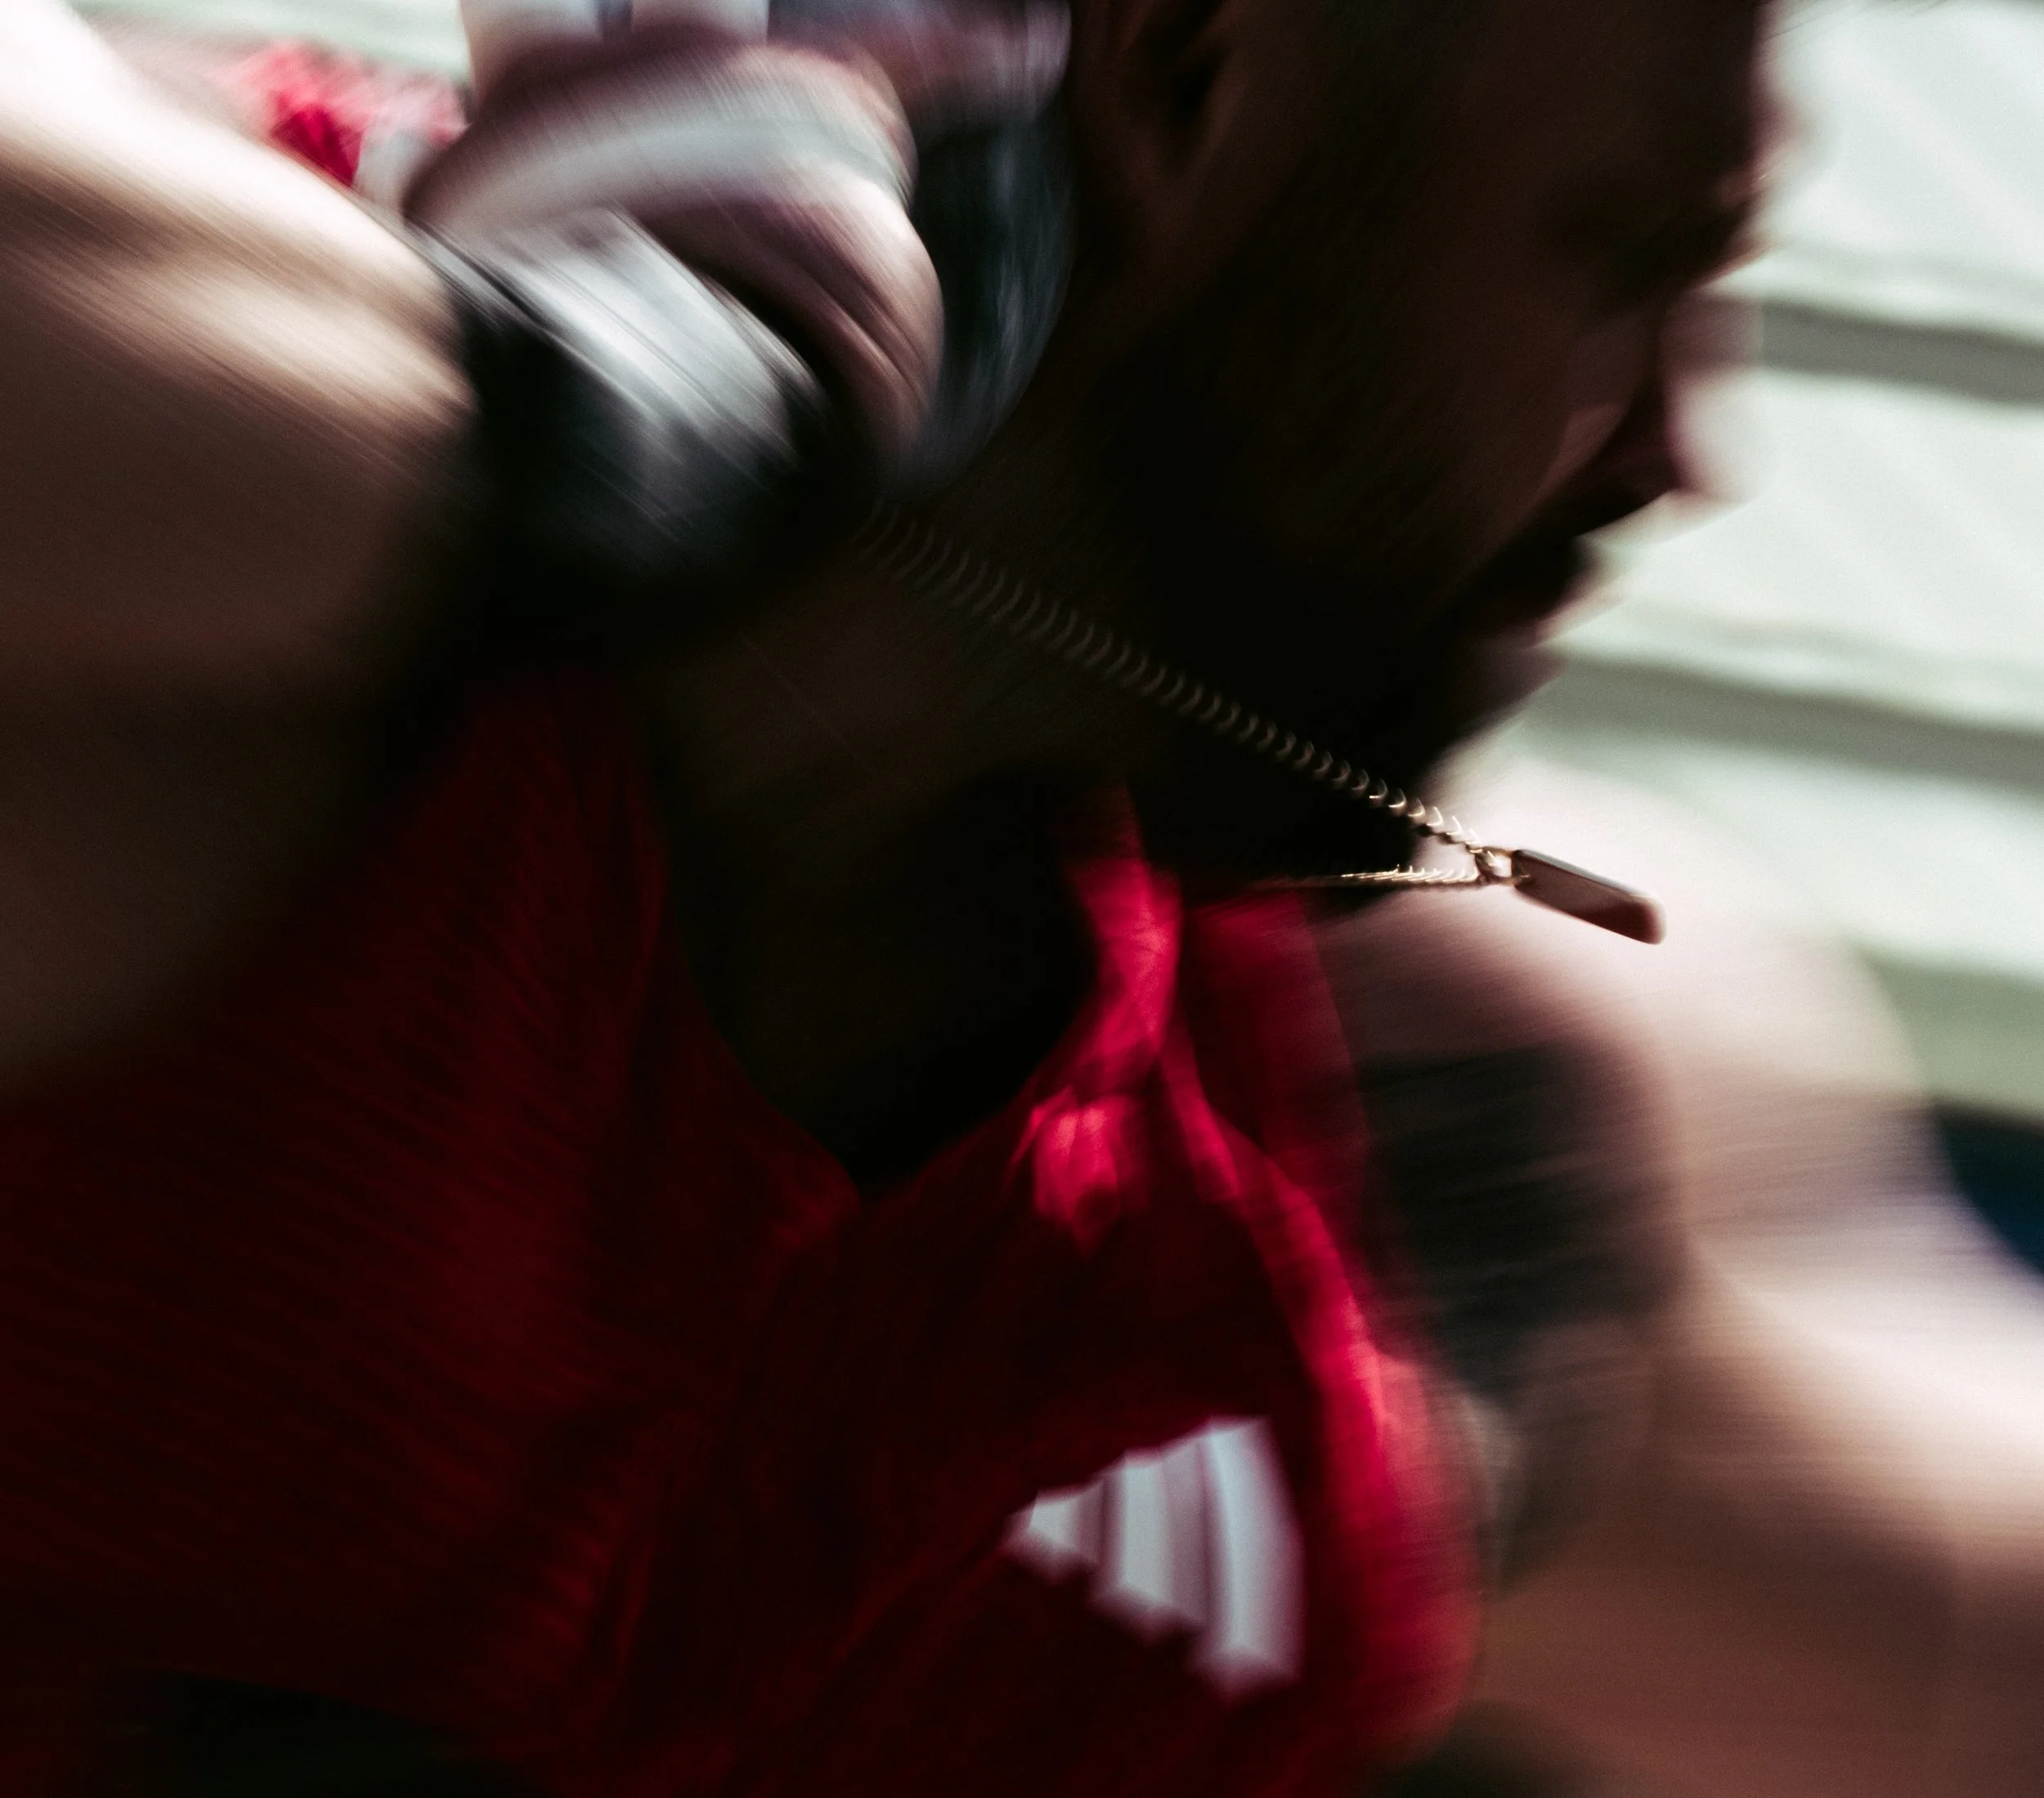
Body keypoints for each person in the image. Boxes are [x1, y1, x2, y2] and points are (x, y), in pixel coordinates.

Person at [0, 0, 1768, 1791]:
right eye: (1622, 249)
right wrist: (626, 397)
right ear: (1181, 85)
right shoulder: (237, 368)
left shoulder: (1189, 1403)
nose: (1680, 453)